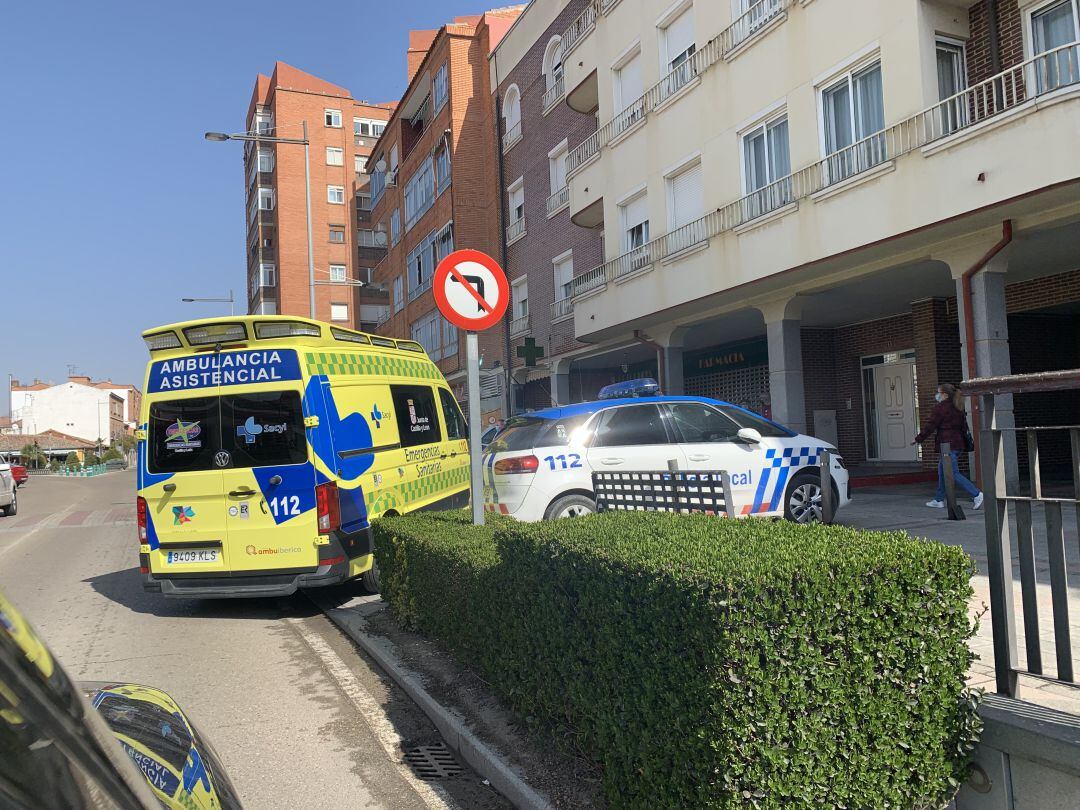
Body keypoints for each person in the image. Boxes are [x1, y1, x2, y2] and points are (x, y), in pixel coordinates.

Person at [914, 383, 983, 510]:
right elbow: (964, 427)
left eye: (938, 392)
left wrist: (918, 439)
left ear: (944, 394)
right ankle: (938, 499)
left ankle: (977, 494)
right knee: (942, 472)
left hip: (947, 445)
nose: (937, 395)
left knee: (953, 473)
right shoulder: (958, 407)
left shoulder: (940, 408)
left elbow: (931, 426)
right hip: (957, 445)